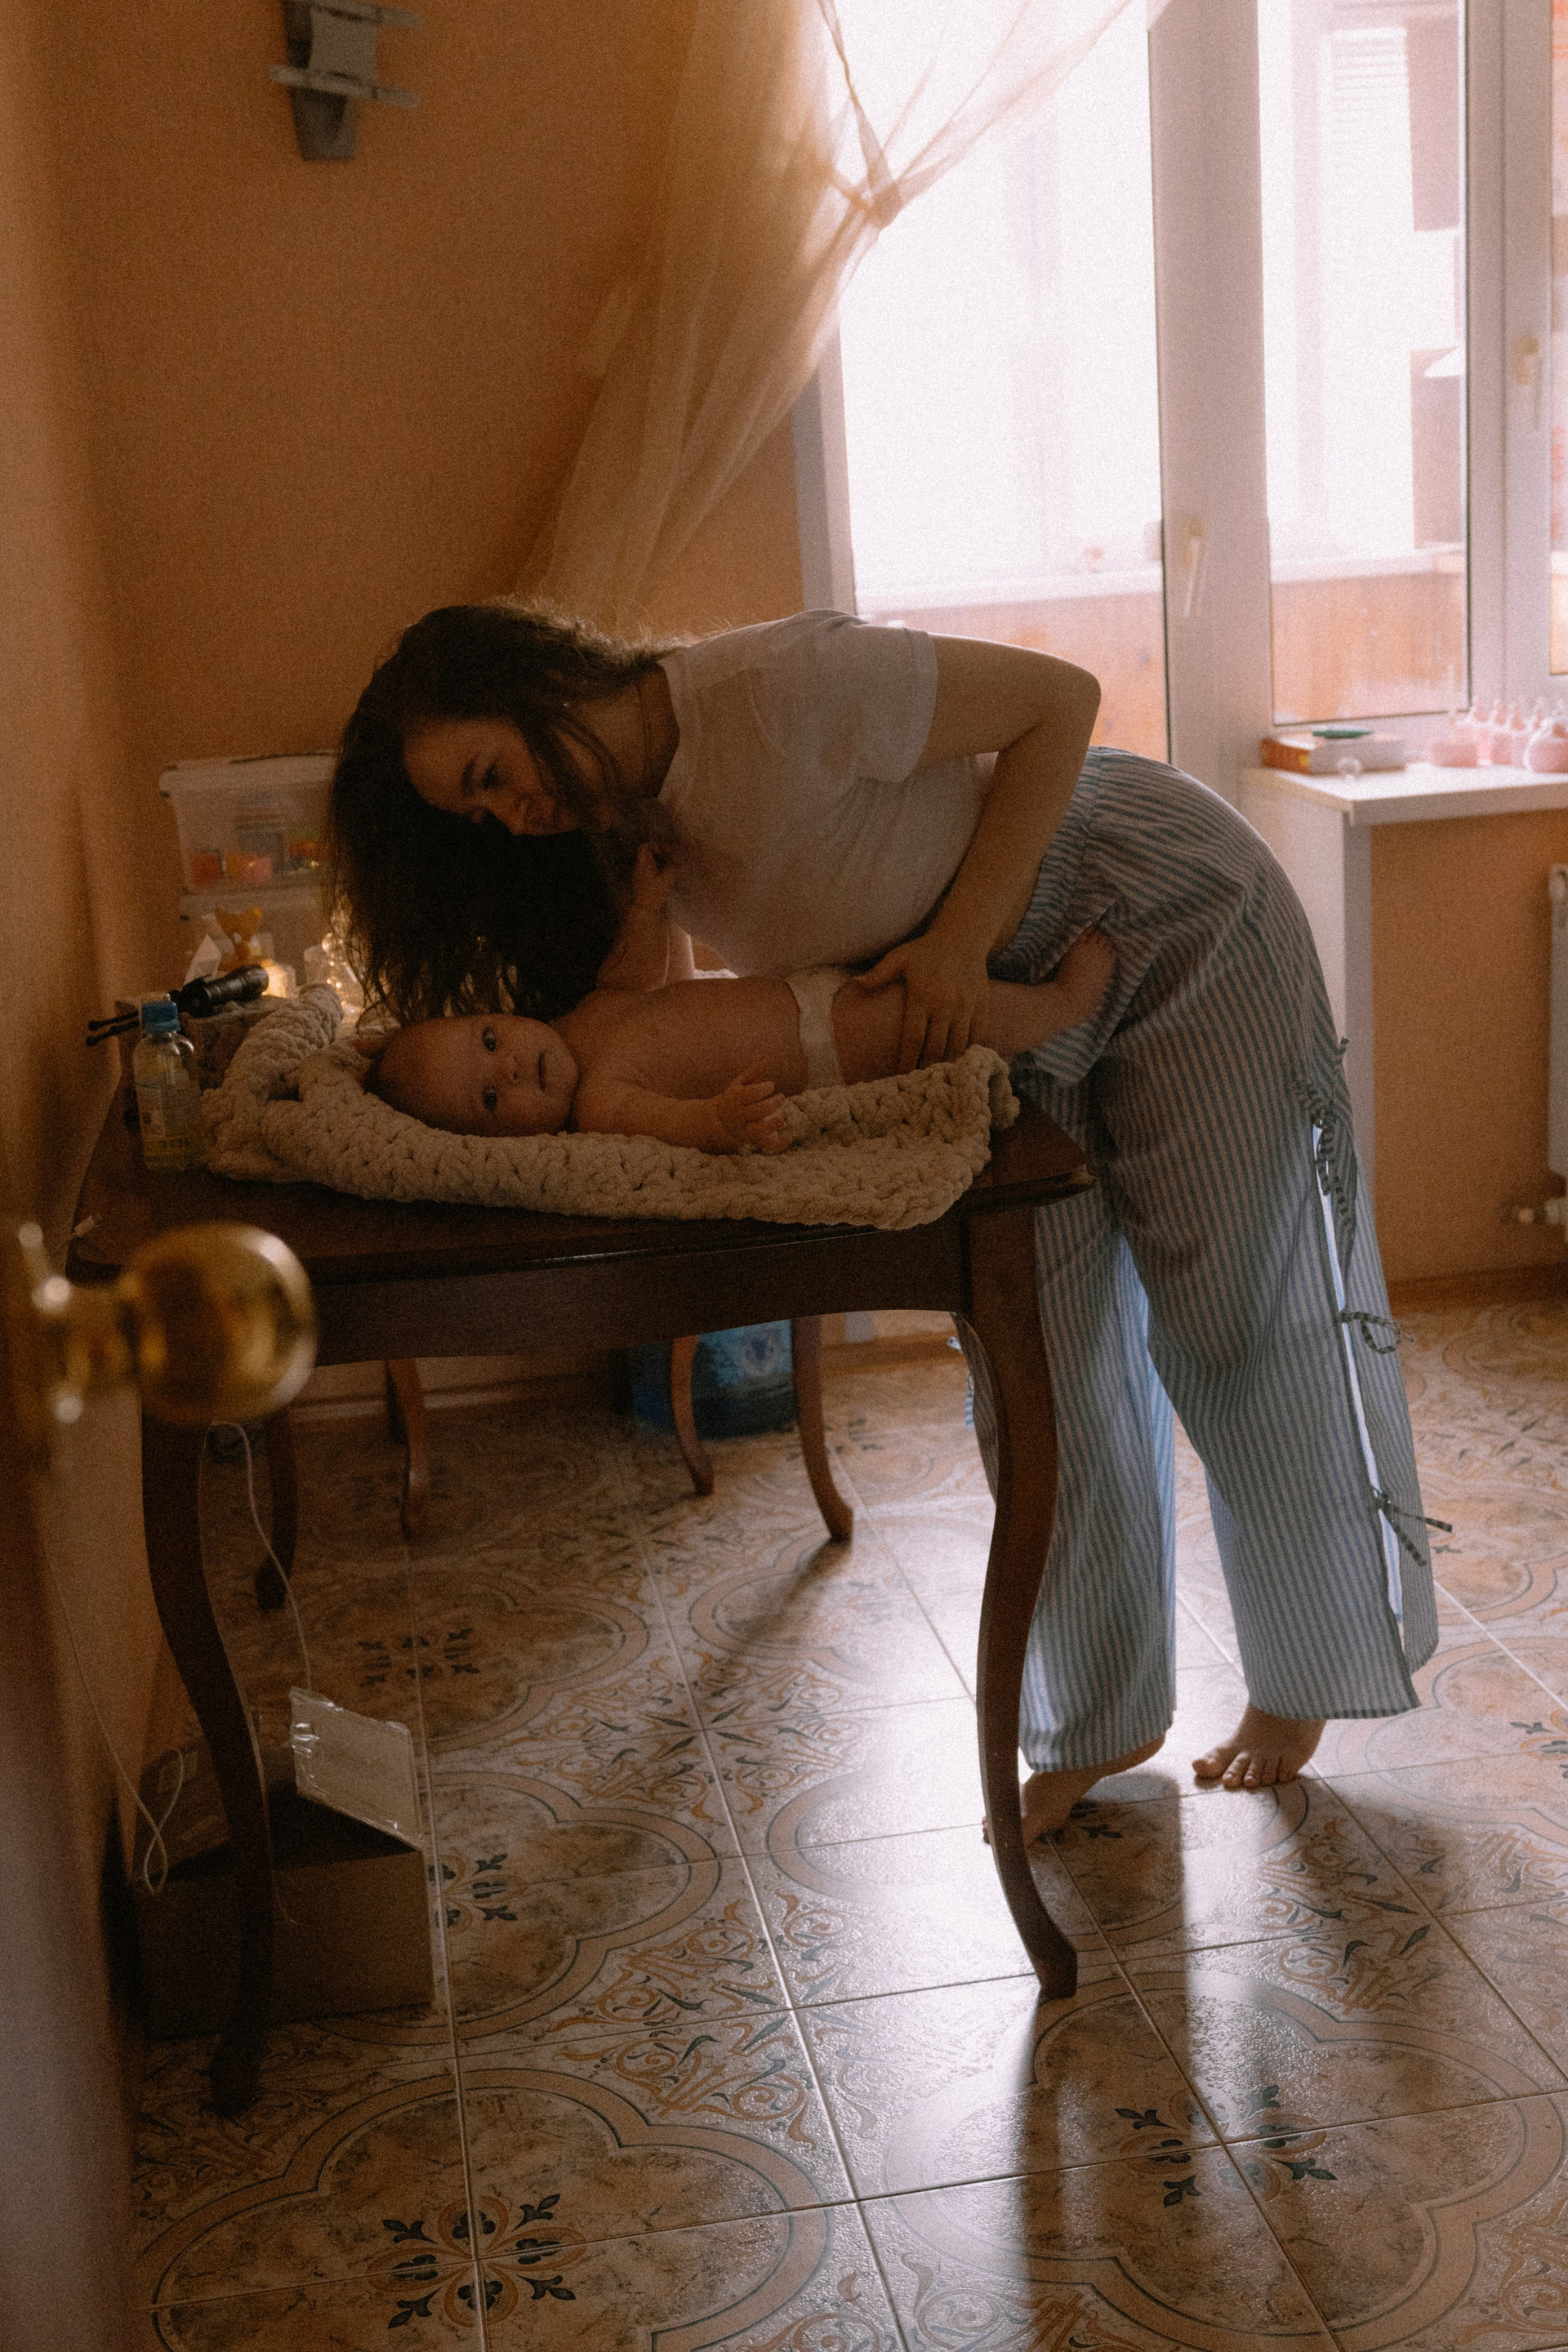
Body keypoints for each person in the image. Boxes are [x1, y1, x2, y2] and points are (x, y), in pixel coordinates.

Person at [330, 602, 1437, 1839]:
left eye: (491, 774)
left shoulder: (772, 686)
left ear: (529, 679)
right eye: (478, 814)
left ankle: (1303, 1677)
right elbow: (667, 1014)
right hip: (978, 1018)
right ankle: (1098, 1723)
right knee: (1043, 1362)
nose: (511, 814)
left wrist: (960, 943)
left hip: (1157, 908)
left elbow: (1060, 701)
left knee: (1233, 1311)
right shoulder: (632, 826)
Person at [358, 844, 1116, 1149]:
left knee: (915, 974)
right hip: (822, 1049)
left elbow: (631, 979)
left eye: (491, 1041)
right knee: (930, 1018)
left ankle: (1022, 970)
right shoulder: (599, 1104)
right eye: (492, 1099)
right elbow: (672, 1122)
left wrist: (647, 910)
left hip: (801, 988)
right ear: (502, 1141)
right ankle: (1060, 1007)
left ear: (498, 1014)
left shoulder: (580, 1017)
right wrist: (719, 1120)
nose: (510, 1067)